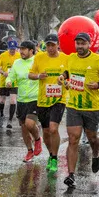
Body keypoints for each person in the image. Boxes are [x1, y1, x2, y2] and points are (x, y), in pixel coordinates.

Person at [63, 32, 99, 188]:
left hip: (92, 106)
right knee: (73, 138)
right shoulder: (70, 58)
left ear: (89, 44)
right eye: (77, 43)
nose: (79, 46)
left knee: (92, 138)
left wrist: (98, 85)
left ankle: (96, 154)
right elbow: (66, 73)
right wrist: (62, 78)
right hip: (73, 105)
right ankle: (71, 175)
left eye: (83, 43)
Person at [28, 34, 68, 173]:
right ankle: (51, 154)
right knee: (45, 131)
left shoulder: (65, 58)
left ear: (58, 45)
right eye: (48, 45)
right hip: (43, 100)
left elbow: (69, 74)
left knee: (53, 129)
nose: (51, 48)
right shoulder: (39, 57)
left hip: (59, 99)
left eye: (53, 45)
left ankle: (55, 158)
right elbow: (30, 74)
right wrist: (39, 76)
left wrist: (66, 81)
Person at [5, 41, 42, 162]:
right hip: (21, 100)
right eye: (20, 49)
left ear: (31, 50)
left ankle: (37, 139)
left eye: (24, 49)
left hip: (34, 98)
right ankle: (29, 151)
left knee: (30, 124)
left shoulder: (38, 61)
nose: (21, 51)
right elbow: (11, 76)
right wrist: (8, 81)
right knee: (24, 128)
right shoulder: (17, 63)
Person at [0, 40, 21, 129]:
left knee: (13, 100)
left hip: (14, 81)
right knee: (2, 100)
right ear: (8, 48)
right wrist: (3, 72)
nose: (12, 51)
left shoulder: (19, 56)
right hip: (4, 80)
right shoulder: (3, 55)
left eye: (14, 49)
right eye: (11, 49)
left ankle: (10, 120)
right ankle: (1, 115)